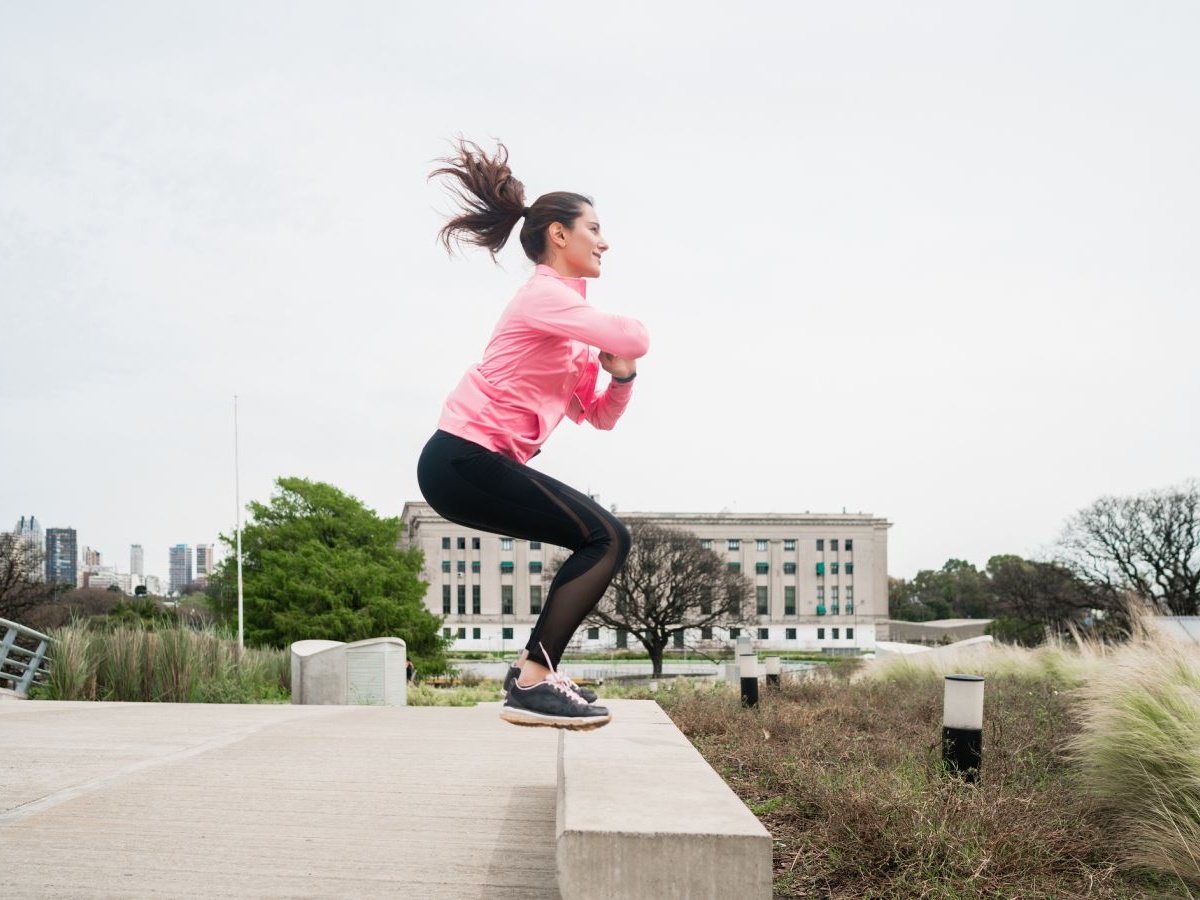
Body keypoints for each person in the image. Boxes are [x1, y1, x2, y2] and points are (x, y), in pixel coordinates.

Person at [417, 139, 649, 731]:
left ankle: (533, 675)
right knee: (607, 538)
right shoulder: (544, 296)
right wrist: (625, 345)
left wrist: (620, 378)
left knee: (601, 539)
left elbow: (598, 415)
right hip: (463, 457)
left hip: (473, 463)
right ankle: (532, 677)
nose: (606, 241)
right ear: (558, 235)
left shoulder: (567, 332)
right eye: (594, 228)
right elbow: (635, 335)